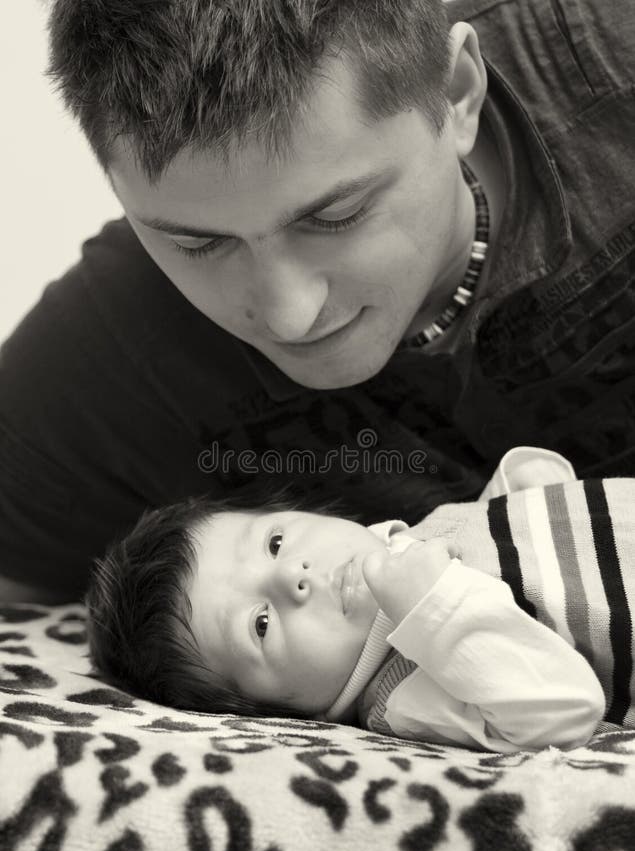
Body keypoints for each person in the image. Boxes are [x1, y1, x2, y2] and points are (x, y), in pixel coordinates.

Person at [2, 0, 634, 606]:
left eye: (336, 215)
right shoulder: (119, 335)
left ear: (459, 91)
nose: (289, 315)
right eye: (197, 243)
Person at [84, 446, 635, 752]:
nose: (293, 578)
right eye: (260, 625)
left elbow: (521, 569)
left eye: (275, 542)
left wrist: (517, 500)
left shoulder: (419, 540)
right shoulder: (408, 691)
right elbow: (563, 711)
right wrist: (435, 609)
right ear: (281, 712)